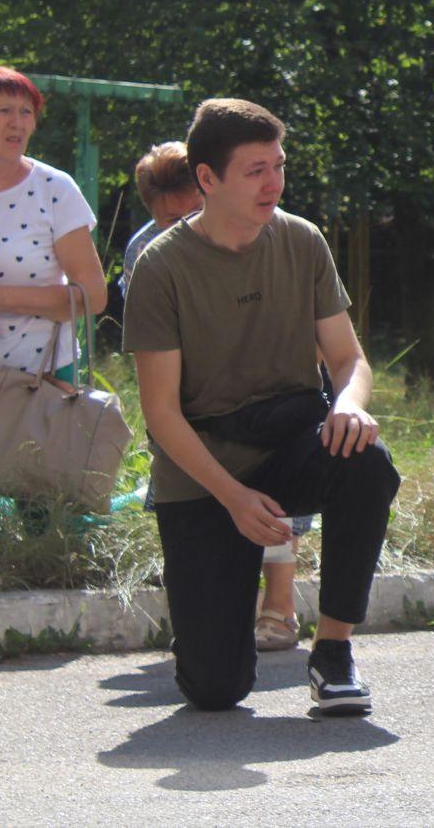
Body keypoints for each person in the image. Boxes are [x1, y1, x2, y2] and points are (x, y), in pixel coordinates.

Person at [124, 98, 399, 713]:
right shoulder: (159, 268)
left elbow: (348, 359)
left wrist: (350, 404)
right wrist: (233, 498)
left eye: (279, 166)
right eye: (255, 171)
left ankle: (333, 653)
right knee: (214, 688)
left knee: (367, 460)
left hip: (289, 442)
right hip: (204, 473)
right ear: (207, 178)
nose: (273, 183)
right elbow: (161, 414)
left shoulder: (302, 240)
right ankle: (204, 616)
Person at [126, 140, 307, 651]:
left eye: (192, 211)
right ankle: (212, 619)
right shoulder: (147, 253)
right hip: (189, 403)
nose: (184, 224)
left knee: (279, 500)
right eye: (169, 218)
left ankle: (279, 605)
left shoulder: (274, 233)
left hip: (268, 394)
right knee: (198, 506)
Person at [0, 67, 107, 395]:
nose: (17, 123)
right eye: (3, 110)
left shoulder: (55, 189)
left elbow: (93, 296)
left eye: (26, 112)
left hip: (40, 386)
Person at [121, 142, 203, 299]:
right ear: (153, 215)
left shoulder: (242, 232)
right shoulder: (141, 253)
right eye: (175, 220)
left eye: (198, 212)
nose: (190, 225)